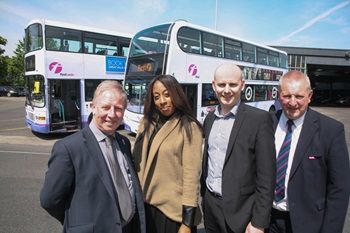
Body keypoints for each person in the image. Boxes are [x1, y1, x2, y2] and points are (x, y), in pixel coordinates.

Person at [40, 80, 146, 233]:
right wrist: (80, 222)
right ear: (93, 107)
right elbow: (49, 200)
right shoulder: (68, 148)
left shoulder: (123, 142)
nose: (112, 114)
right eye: (105, 107)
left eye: (118, 108)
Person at [266, 71, 350, 233]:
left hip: (308, 223)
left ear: (310, 95)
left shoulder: (331, 130)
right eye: (287, 96)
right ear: (278, 95)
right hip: (268, 221)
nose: (292, 102)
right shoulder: (267, 122)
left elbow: (339, 189)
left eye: (299, 96)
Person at [201, 63, 276, 233]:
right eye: (221, 85)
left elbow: (267, 177)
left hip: (241, 212)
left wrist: (259, 222)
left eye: (233, 84)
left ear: (242, 85)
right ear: (214, 86)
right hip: (211, 207)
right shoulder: (210, 118)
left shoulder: (259, 119)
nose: (227, 90)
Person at [133, 74, 203, 233]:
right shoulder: (146, 123)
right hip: (144, 206)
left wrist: (187, 222)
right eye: (156, 97)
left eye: (167, 94)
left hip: (172, 212)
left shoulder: (189, 126)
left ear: (176, 95)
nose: (162, 101)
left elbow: (192, 176)